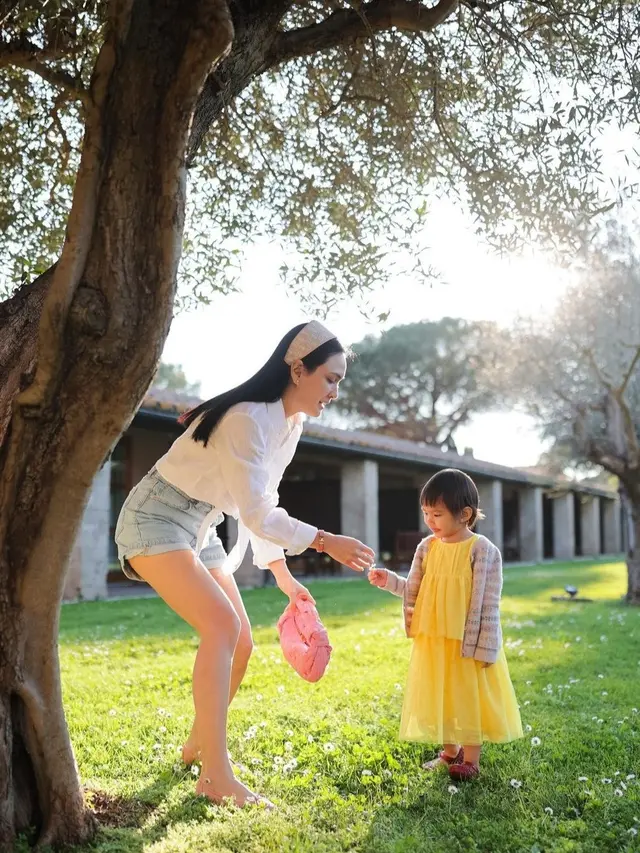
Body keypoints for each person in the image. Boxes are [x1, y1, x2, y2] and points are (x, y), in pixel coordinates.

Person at [115, 321, 375, 807]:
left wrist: (282, 575)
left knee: (243, 644)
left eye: (340, 381)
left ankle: (198, 743)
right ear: (298, 369)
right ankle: (215, 774)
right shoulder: (246, 420)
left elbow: (261, 502)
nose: (336, 391)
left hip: (204, 523)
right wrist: (324, 540)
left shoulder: (290, 425)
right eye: (331, 379)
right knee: (222, 627)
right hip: (156, 515)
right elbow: (257, 512)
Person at [368, 468, 522, 781]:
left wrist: (486, 643)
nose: (430, 521)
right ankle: (450, 751)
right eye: (426, 513)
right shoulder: (427, 548)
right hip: (434, 637)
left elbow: (489, 603)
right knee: (443, 693)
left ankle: (471, 758)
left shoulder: (482, 550)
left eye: (437, 514)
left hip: (466, 639)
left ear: (465, 514)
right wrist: (390, 582)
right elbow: (415, 588)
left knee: (468, 694)